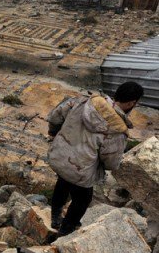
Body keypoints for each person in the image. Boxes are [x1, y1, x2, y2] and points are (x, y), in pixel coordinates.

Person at [47, 81, 144, 236]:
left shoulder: (85, 100)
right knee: (83, 199)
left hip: (59, 157)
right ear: (131, 103)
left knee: (63, 181)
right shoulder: (117, 130)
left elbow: (55, 116)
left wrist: (53, 132)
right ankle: (65, 232)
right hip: (81, 172)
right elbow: (111, 162)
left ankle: (55, 217)